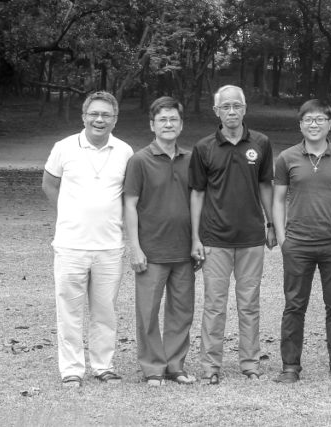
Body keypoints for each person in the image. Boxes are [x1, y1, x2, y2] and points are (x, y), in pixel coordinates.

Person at [42, 91, 134, 387]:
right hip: (71, 245)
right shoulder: (64, 147)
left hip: (109, 246)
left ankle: (103, 365)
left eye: (106, 115)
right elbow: (49, 184)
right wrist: (68, 214)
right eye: (94, 114)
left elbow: (130, 196)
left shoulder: (124, 151)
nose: (99, 119)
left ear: (115, 120)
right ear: (84, 117)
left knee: (105, 310)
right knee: (69, 310)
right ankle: (71, 368)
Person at [189, 85, 276, 384]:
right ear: (216, 111)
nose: (231, 111)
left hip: (252, 238)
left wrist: (271, 224)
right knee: (214, 305)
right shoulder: (203, 148)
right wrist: (195, 237)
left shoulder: (261, 143)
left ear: (245, 108)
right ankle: (211, 366)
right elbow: (197, 194)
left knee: (249, 303)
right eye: (224, 107)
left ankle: (250, 362)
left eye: (236, 106)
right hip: (215, 239)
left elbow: (266, 185)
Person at [271, 100, 331, 384]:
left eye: (320, 119)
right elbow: (278, 200)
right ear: (300, 124)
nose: (314, 124)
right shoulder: (286, 158)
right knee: (294, 305)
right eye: (308, 119)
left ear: (330, 124)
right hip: (298, 243)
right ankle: (290, 366)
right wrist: (283, 238)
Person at [124, 96, 197, 387]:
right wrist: (135, 247)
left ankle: (175, 366)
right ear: (152, 124)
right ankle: (153, 367)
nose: (168, 124)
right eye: (162, 120)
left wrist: (197, 241)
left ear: (181, 124)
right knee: (148, 313)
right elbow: (129, 204)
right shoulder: (139, 160)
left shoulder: (192, 159)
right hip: (151, 251)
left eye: (173, 119)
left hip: (183, 251)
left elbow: (198, 201)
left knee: (182, 312)